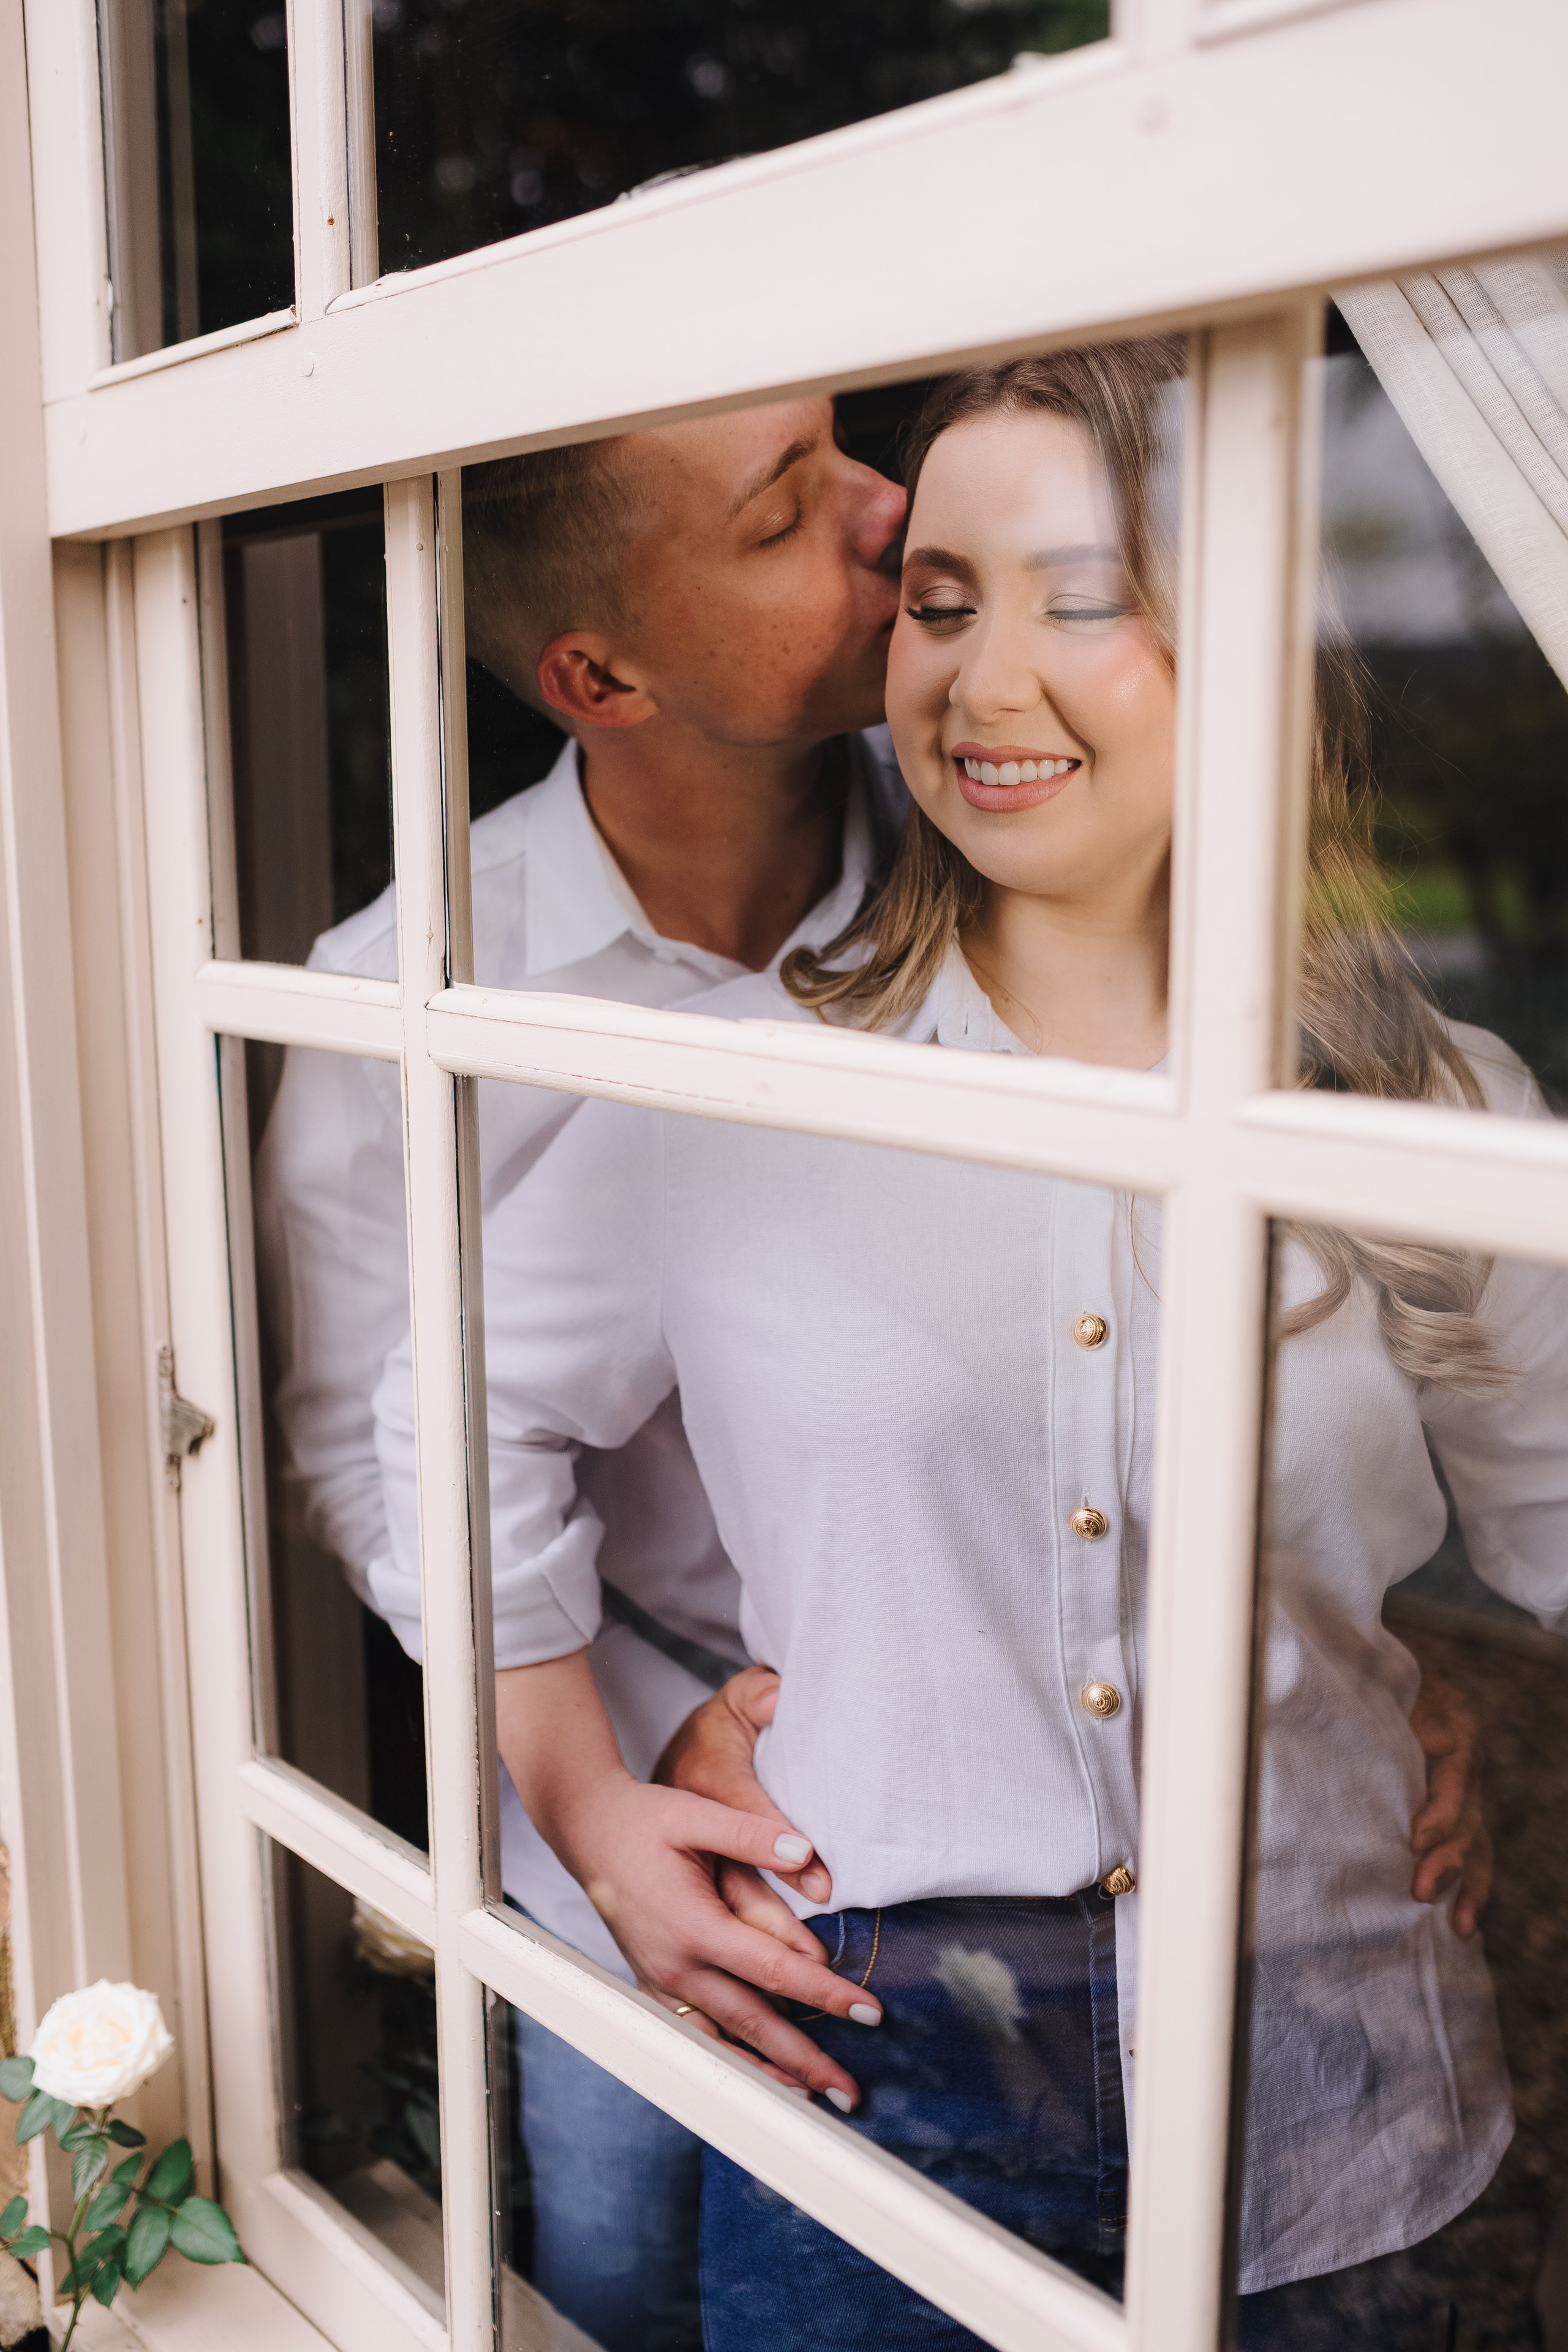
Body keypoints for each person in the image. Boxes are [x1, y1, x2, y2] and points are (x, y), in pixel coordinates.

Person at [374, 337, 1558, 2348]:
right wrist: (579, 1801)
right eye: (938, 601)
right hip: (871, 2099)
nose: (980, 678)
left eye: (1082, 600)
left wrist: (1410, 1691)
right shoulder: (718, 1092)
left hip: (1343, 2089)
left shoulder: (1440, 1113)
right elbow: (454, 1412)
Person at [254, 395, 908, 2350]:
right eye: (789, 514)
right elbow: (370, 1459)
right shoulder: (400, 999)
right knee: (619, 2269)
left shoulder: (1007, 861)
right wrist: (605, 1794)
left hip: (1002, 1786)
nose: (891, 505)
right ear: (597, 672)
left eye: (848, 454)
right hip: (612, 1806)